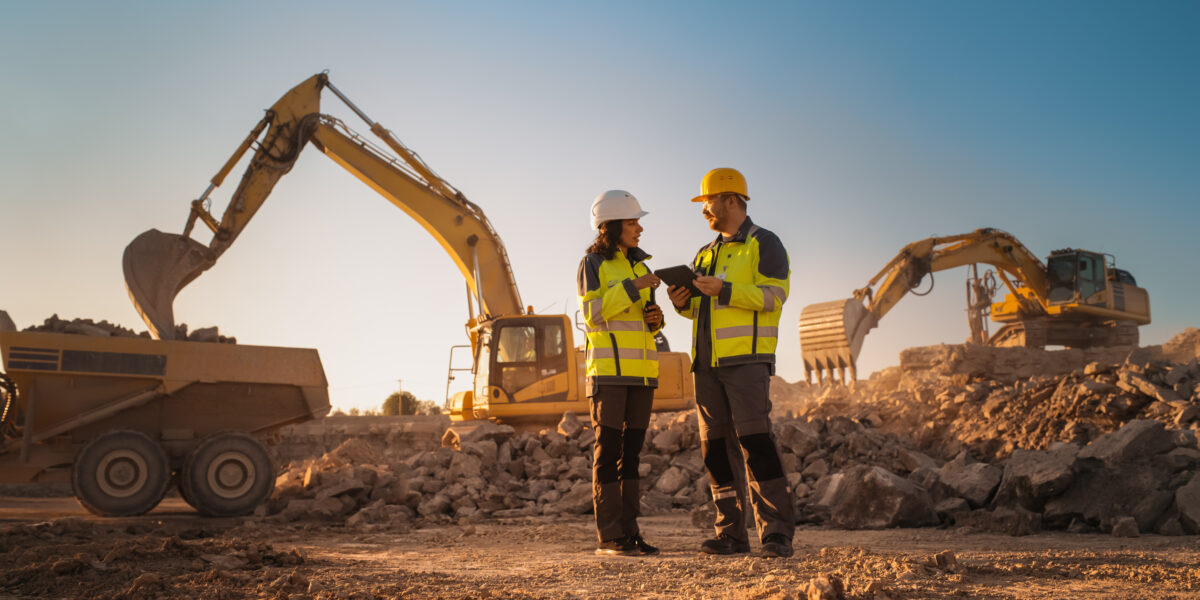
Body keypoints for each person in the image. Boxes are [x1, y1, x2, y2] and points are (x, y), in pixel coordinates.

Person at [667, 168, 795, 558]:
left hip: (746, 361)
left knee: (755, 442)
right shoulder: (705, 253)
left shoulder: (764, 243)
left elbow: (775, 296)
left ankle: (775, 533)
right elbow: (700, 311)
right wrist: (682, 303)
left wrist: (727, 290)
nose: (704, 209)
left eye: (707, 201)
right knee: (716, 451)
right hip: (705, 366)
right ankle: (731, 533)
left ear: (731, 199)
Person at [576, 190, 664, 556]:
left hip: (642, 375)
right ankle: (609, 536)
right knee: (608, 451)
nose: (639, 228)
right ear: (610, 226)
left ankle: (630, 533)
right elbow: (593, 314)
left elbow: (646, 321)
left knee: (631, 456)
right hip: (609, 375)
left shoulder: (641, 267)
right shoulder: (593, 263)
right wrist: (632, 288)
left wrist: (656, 319)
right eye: (632, 222)